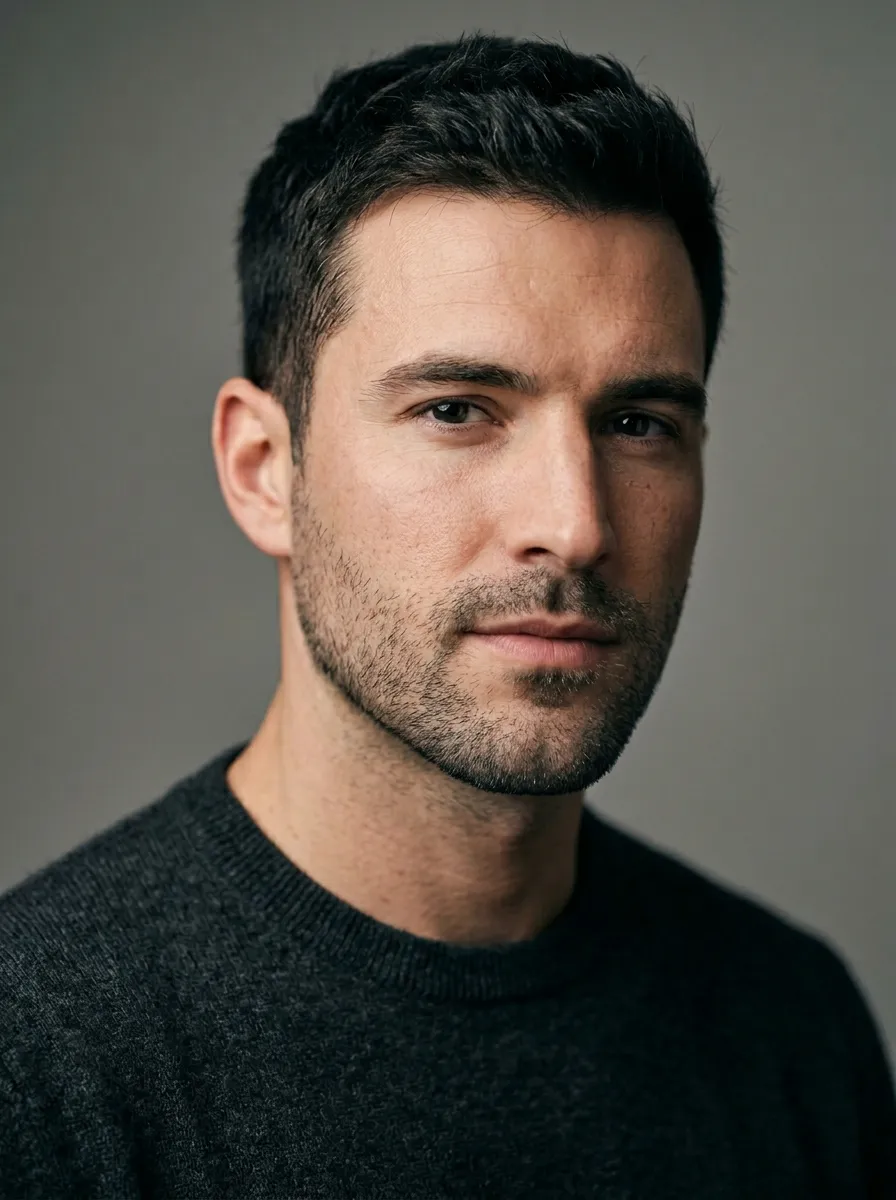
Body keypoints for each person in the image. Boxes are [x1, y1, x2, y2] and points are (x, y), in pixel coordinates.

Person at [1, 32, 893, 1198]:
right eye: (459, 409)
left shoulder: (789, 1025)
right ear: (265, 468)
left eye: (637, 425)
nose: (574, 525)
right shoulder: (39, 1063)